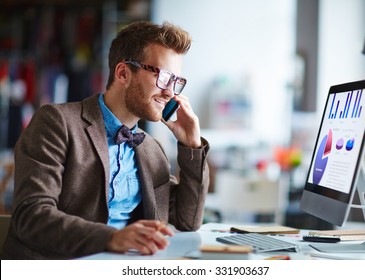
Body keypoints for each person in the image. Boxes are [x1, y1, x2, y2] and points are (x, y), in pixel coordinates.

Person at [1, 21, 210, 259]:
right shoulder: (56, 122)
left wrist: (191, 145)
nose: (170, 93)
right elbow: (31, 215)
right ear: (123, 73)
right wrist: (111, 238)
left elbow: (188, 220)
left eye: (176, 82)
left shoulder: (152, 150)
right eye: (163, 77)